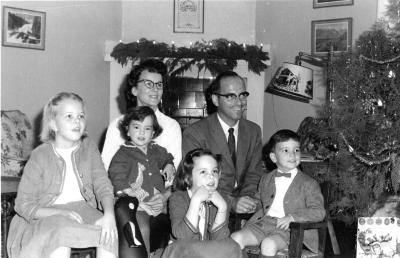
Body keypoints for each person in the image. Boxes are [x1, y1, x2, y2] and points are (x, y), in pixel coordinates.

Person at [7, 92, 117, 258]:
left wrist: (109, 214)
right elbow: (23, 204)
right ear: (53, 124)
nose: (77, 121)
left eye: (81, 116)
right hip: (45, 214)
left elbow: (102, 183)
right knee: (61, 233)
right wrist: (60, 214)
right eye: (69, 116)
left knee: (108, 233)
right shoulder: (40, 155)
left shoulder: (89, 148)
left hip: (81, 208)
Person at [231, 129, 326, 257]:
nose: (292, 155)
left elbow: (319, 212)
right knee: (235, 238)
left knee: (268, 244)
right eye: (285, 151)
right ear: (273, 157)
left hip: (289, 229)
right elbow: (260, 202)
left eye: (296, 150)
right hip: (263, 224)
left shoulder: (309, 183)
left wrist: (293, 217)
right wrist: (251, 205)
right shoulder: (266, 178)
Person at [182, 71, 263, 215]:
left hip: (247, 204)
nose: (239, 102)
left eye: (242, 95)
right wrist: (232, 203)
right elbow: (196, 183)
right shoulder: (195, 133)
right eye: (231, 96)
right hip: (209, 206)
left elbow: (254, 174)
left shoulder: (253, 131)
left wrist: (247, 200)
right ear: (215, 100)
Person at [108, 106, 175, 257]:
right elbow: (116, 174)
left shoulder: (156, 149)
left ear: (153, 132)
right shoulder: (123, 153)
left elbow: (167, 157)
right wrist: (131, 193)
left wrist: (169, 164)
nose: (141, 133)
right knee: (143, 228)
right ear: (127, 130)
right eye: (136, 127)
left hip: (158, 201)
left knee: (172, 221)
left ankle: (163, 252)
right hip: (137, 203)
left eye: (147, 129)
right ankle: (143, 254)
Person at [102, 58, 181, 171]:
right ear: (134, 90)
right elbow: (105, 166)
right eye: (148, 84)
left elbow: (172, 171)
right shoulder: (117, 125)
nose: (155, 89)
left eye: (159, 85)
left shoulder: (172, 126)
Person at [161, 148, 242, 258]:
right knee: (180, 245)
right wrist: (195, 201)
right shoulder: (178, 198)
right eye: (203, 172)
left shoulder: (222, 199)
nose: (211, 176)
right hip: (183, 252)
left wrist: (222, 208)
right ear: (187, 177)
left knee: (232, 246)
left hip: (208, 252)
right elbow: (182, 237)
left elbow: (220, 240)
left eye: (214, 171)